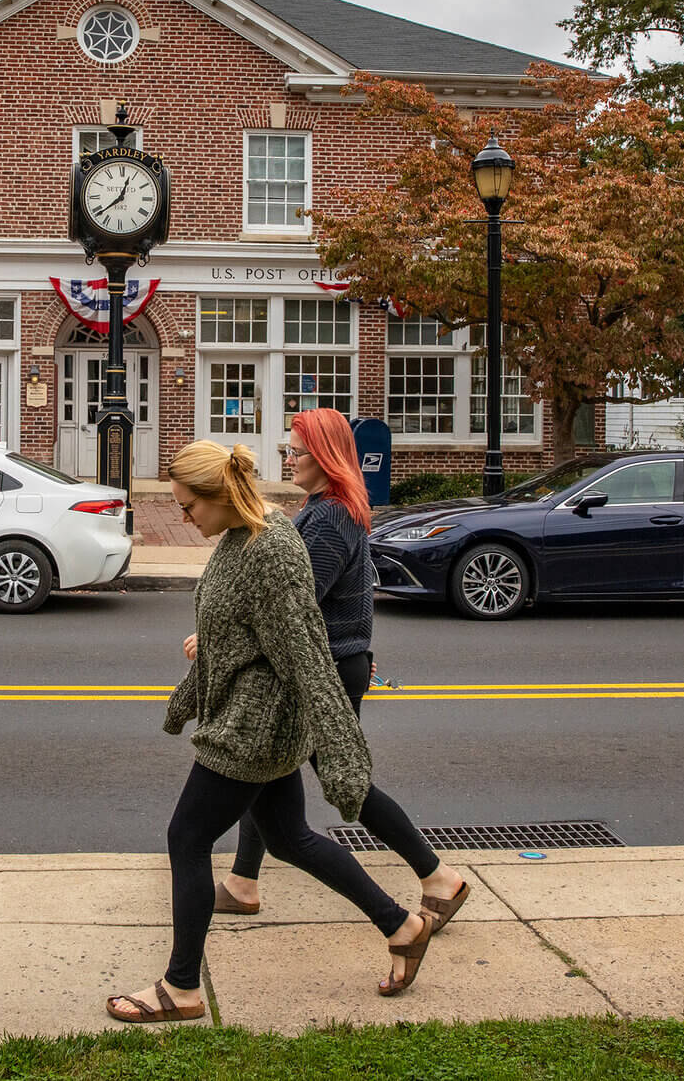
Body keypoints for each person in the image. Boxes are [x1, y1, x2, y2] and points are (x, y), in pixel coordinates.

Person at [105, 440, 432, 1025]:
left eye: (188, 507)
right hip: (252, 717)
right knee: (288, 837)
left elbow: (306, 653)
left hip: (254, 727)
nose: (184, 518)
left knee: (187, 836)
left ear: (222, 496)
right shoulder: (239, 539)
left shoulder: (272, 550)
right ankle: (402, 924)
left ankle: (181, 988)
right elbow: (236, 636)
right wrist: (189, 697)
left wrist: (339, 748)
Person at [205, 407, 471, 936]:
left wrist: (222, 636)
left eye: (296, 450)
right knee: (268, 764)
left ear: (324, 457)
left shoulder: (330, 516)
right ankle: (242, 882)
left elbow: (295, 602)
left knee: (342, 778)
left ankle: (438, 876)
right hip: (326, 661)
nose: (288, 456)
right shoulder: (325, 506)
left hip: (323, 667)